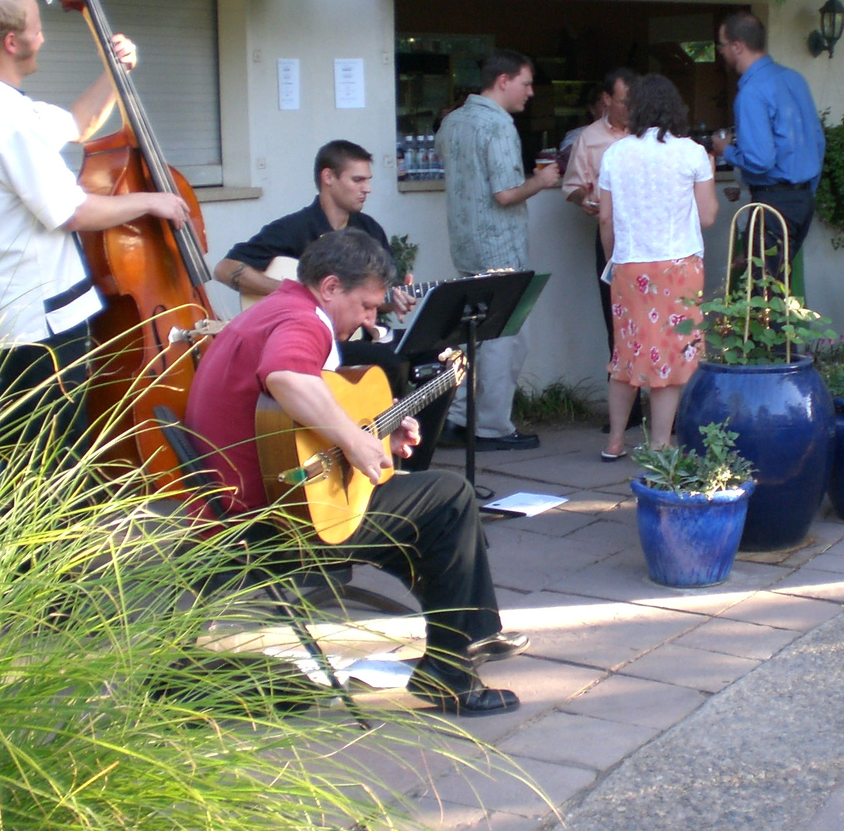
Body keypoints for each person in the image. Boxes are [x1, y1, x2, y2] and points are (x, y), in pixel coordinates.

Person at [185, 229, 522, 714]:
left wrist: (377, 437)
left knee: (420, 506)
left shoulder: (275, 309)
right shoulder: (304, 321)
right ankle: (452, 665)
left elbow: (289, 428)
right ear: (329, 288)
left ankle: (461, 641)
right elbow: (286, 378)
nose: (370, 319)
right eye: (365, 306)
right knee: (449, 498)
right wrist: (354, 438)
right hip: (267, 522)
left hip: (250, 501)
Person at [0, 0, 190, 466]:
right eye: (37, 28)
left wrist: (113, 72)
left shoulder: (0, 102)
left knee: (39, 451)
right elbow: (72, 212)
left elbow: (78, 125)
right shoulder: (6, 121)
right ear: (12, 43)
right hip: (36, 319)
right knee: (43, 461)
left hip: (29, 310)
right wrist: (155, 200)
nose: (45, 38)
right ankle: (33, 543)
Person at [212, 140, 451, 471]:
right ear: (328, 177)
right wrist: (289, 290)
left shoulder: (368, 231)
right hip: (320, 338)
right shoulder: (294, 228)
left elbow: (369, 302)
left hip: (358, 334)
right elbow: (224, 269)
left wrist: (389, 302)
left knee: (440, 357)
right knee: (388, 362)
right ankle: (369, 449)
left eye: (368, 180)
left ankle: (411, 462)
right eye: (357, 180)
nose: (366, 189)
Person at [436, 49, 562, 450]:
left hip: (465, 244)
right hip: (500, 248)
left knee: (468, 336)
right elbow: (506, 193)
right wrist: (542, 181)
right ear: (503, 81)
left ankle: (455, 418)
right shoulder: (499, 127)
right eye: (526, 83)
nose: (530, 93)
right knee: (504, 337)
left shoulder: (451, 122)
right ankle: (491, 427)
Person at [598, 75, 719, 458]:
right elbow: (708, 216)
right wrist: (712, 171)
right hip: (678, 267)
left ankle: (615, 440)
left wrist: (611, 261)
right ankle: (661, 444)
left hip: (629, 266)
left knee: (627, 353)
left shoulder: (615, 154)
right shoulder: (692, 153)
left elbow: (605, 219)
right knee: (671, 352)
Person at [711, 10, 826, 271]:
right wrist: (805, 193)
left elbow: (761, 160)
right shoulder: (794, 79)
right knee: (777, 290)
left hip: (773, 205)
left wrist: (725, 150)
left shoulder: (752, 92)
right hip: (802, 201)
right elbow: (818, 143)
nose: (721, 52)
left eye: (722, 45)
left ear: (737, 46)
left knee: (763, 300)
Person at [563, 68, 636, 357]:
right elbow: (572, 185)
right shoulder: (589, 137)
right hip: (611, 236)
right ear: (606, 99)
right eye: (624, 101)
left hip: (653, 237)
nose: (631, 109)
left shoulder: (650, 133)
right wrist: (582, 198)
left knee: (656, 325)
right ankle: (625, 402)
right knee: (618, 325)